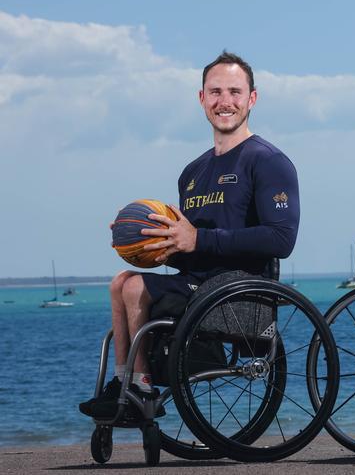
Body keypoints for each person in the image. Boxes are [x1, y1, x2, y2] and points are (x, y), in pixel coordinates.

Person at [80, 51, 300, 417]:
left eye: (234, 91)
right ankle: (124, 382)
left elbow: (281, 240)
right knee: (121, 279)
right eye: (215, 92)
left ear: (252, 99)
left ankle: (142, 389)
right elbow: (189, 248)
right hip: (195, 284)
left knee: (135, 287)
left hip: (241, 288)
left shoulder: (268, 161)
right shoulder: (193, 172)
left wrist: (198, 239)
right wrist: (146, 241)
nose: (224, 102)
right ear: (201, 99)